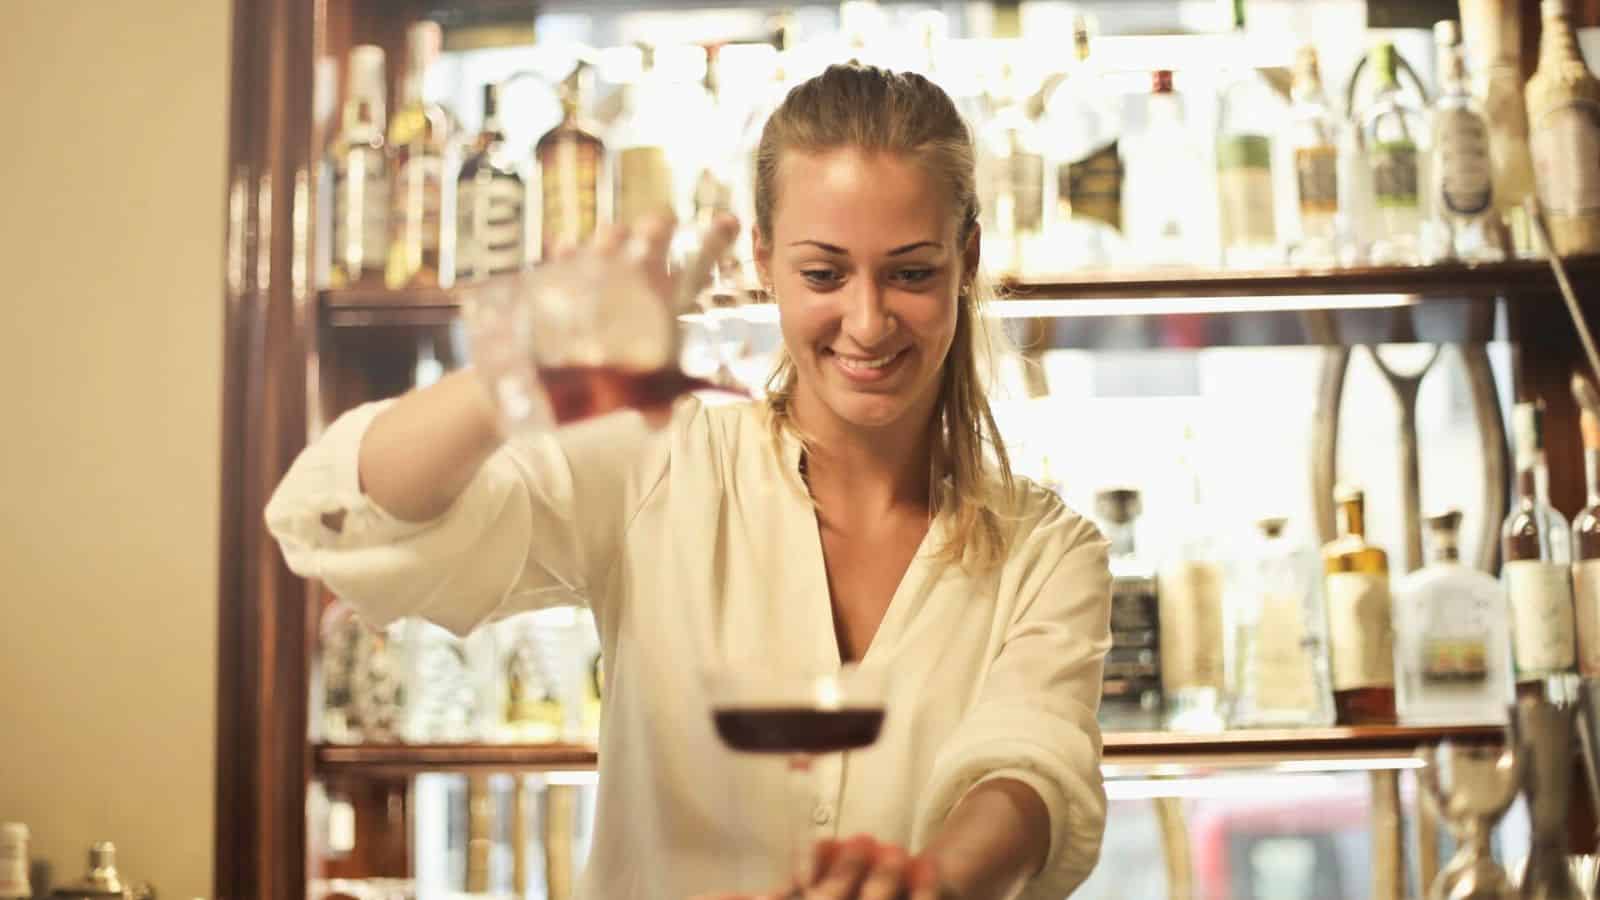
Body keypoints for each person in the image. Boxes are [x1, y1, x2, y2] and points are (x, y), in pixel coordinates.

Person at [267, 63, 1111, 900]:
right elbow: (352, 518)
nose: (867, 320)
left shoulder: (1049, 552)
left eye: (911, 272)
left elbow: (1031, 768)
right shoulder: (658, 462)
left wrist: (934, 882)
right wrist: (520, 368)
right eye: (824, 274)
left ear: (966, 259)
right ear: (763, 258)